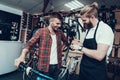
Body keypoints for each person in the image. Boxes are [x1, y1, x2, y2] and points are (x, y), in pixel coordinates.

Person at [14, 12, 68, 79]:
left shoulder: (60, 32)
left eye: (60, 24)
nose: (59, 26)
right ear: (51, 21)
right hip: (44, 65)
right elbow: (29, 44)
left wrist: (61, 49)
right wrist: (22, 56)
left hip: (57, 65)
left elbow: (66, 41)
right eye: (57, 23)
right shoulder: (41, 31)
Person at [72, 2, 114, 80]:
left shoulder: (104, 29)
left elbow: (99, 55)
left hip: (96, 73)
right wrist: (79, 44)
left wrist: (80, 48)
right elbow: (90, 47)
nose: (83, 23)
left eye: (84, 20)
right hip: (84, 71)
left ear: (92, 17)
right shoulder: (90, 29)